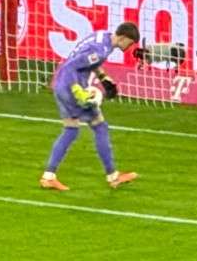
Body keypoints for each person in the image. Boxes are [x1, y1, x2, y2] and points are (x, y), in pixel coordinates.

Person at [40, 21, 142, 192]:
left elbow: (85, 61)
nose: (130, 47)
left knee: (71, 130)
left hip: (61, 85)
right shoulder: (100, 50)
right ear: (124, 38)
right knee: (100, 126)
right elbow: (72, 65)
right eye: (130, 43)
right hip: (71, 88)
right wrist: (77, 90)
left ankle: (48, 176)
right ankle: (112, 176)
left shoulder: (103, 37)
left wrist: (103, 78)